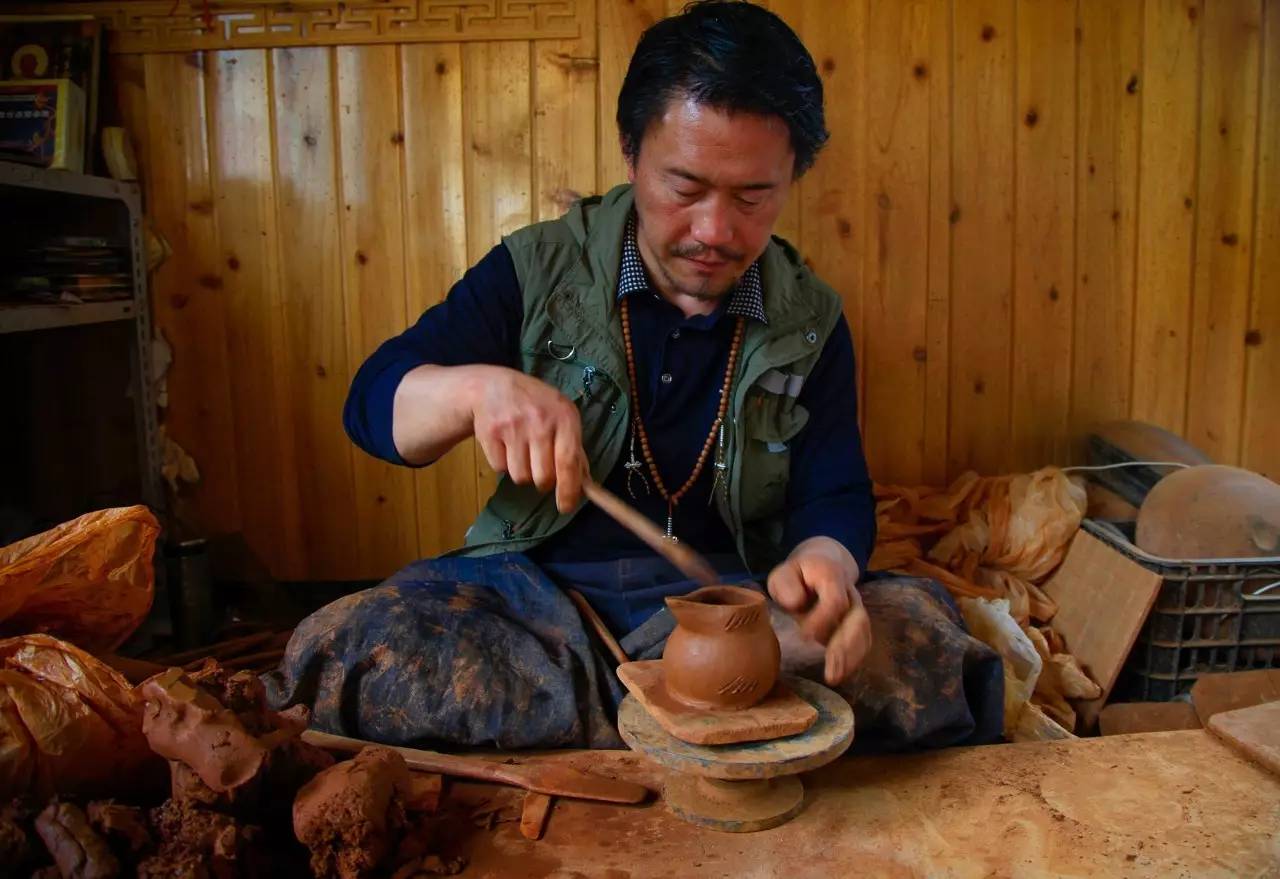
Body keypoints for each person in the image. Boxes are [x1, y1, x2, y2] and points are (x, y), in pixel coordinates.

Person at [266, 0, 1002, 752]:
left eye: (753, 197)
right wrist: (472, 390)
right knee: (353, 646)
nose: (715, 232)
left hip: (737, 601)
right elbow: (370, 403)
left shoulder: (808, 318)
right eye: (685, 187)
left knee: (924, 642)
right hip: (538, 607)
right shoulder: (538, 270)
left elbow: (836, 491)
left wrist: (825, 564)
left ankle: (629, 712)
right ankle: (689, 713)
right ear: (630, 151)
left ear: (791, 177)